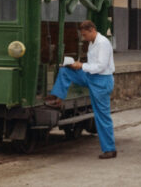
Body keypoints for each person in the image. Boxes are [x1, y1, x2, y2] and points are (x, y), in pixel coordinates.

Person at [45, 20, 116, 159]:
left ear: (92, 30)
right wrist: (74, 65)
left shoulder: (103, 43)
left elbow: (101, 66)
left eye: (85, 35)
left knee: (102, 116)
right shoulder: (92, 42)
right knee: (65, 70)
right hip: (91, 77)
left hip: (102, 80)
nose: (84, 38)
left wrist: (81, 66)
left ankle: (110, 149)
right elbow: (92, 65)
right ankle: (58, 98)